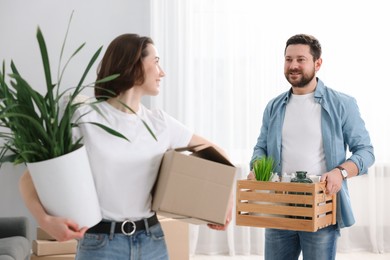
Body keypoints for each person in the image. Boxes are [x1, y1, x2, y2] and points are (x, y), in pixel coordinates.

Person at [19, 34, 232, 259]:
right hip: (100, 244)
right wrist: (45, 221)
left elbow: (218, 155)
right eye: (156, 61)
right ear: (134, 64)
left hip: (152, 241)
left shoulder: (160, 123)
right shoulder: (84, 118)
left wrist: (223, 204)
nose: (162, 72)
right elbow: (29, 178)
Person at [248, 34, 375, 260]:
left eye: (301, 59)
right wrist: (258, 168)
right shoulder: (274, 107)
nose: (293, 65)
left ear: (318, 63)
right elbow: (261, 149)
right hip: (280, 208)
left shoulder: (342, 104)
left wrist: (341, 172)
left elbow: (366, 151)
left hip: (321, 207)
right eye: (288, 59)